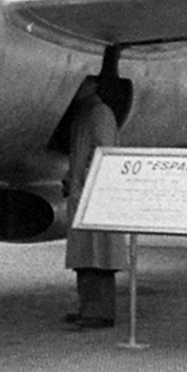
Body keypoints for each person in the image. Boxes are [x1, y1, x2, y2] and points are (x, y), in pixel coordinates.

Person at [63, 88, 123, 328]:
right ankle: (89, 308)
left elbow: (103, 152)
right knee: (86, 257)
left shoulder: (98, 113)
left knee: (97, 257)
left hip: (95, 198)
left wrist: (87, 185)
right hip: (85, 195)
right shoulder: (89, 112)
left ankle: (99, 312)